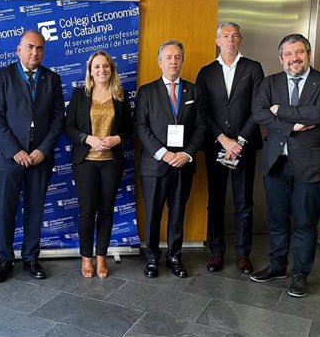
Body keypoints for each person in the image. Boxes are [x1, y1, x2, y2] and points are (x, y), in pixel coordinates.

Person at [250, 33, 320, 297]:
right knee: (277, 219)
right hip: (276, 162)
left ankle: (300, 273)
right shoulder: (270, 82)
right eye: (288, 54)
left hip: (311, 165)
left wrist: (280, 110)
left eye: (299, 52)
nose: (294, 59)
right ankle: (277, 266)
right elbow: (258, 113)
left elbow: (319, 113)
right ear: (280, 58)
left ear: (308, 54)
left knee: (305, 222)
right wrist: (293, 125)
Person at [0, 30, 65, 283]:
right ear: (19, 50)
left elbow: (57, 119)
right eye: (30, 47)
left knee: (35, 210)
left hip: (40, 159)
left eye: (40, 48)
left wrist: (42, 150)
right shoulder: (2, 77)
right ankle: (5, 258)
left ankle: (31, 257)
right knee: (6, 209)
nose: (35, 52)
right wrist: (15, 151)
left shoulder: (52, 79)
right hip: (10, 159)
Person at [196, 23, 264, 274]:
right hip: (216, 146)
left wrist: (240, 141)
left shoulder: (253, 68)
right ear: (217, 40)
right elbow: (201, 112)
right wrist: (223, 139)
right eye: (225, 36)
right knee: (215, 201)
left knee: (243, 202)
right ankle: (216, 251)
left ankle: (243, 254)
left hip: (244, 147)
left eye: (235, 36)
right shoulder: (206, 72)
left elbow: (259, 108)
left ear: (241, 40)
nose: (230, 40)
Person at [134, 40, 206, 278]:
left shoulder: (194, 91)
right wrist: (163, 153)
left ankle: (175, 256)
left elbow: (200, 127)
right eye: (168, 57)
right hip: (154, 165)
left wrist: (186, 154)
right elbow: (141, 127)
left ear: (182, 61)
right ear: (159, 62)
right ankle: (152, 258)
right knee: (153, 214)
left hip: (183, 165)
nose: (173, 61)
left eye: (177, 57)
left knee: (177, 213)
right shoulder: (147, 91)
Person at [65, 51, 133, 279]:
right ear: (90, 71)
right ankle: (86, 258)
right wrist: (88, 138)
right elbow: (69, 127)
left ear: (112, 69)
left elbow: (129, 129)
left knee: (105, 211)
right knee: (87, 212)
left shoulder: (121, 95)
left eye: (106, 66)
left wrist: (117, 139)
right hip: (85, 162)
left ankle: (101, 257)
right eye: (97, 67)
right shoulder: (79, 94)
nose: (101, 70)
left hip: (111, 163)